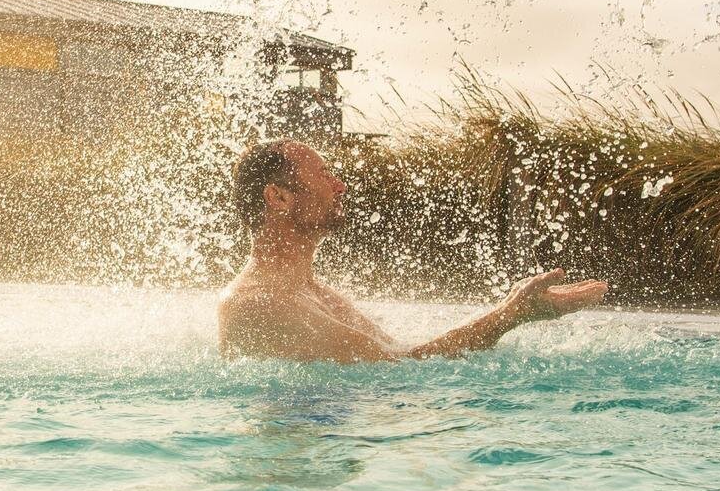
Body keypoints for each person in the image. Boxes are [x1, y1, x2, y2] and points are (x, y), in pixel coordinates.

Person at [218, 138, 607, 362]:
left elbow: (403, 354)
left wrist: (510, 312)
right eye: (323, 175)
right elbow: (402, 370)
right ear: (278, 197)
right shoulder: (258, 303)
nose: (340, 186)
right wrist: (510, 314)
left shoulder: (313, 292)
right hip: (288, 464)